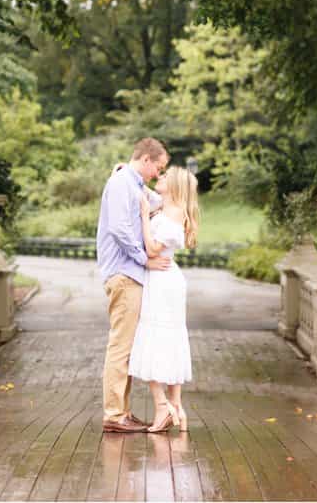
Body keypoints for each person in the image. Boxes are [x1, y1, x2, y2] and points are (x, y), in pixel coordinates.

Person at [95, 137, 171, 433]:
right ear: (147, 159)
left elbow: (162, 202)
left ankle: (122, 411)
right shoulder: (120, 184)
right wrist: (144, 259)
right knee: (120, 346)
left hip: (130, 274)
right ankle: (114, 415)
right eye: (159, 168)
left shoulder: (134, 183)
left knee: (126, 347)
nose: (158, 174)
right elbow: (118, 229)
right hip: (124, 274)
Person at [128, 165, 199, 432]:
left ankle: (163, 406)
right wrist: (126, 170)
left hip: (162, 279)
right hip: (165, 278)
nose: (161, 176)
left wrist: (145, 216)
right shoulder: (167, 205)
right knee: (168, 338)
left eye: (167, 176)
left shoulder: (172, 211)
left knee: (155, 338)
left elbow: (153, 248)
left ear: (176, 186)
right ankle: (176, 404)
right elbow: (141, 189)